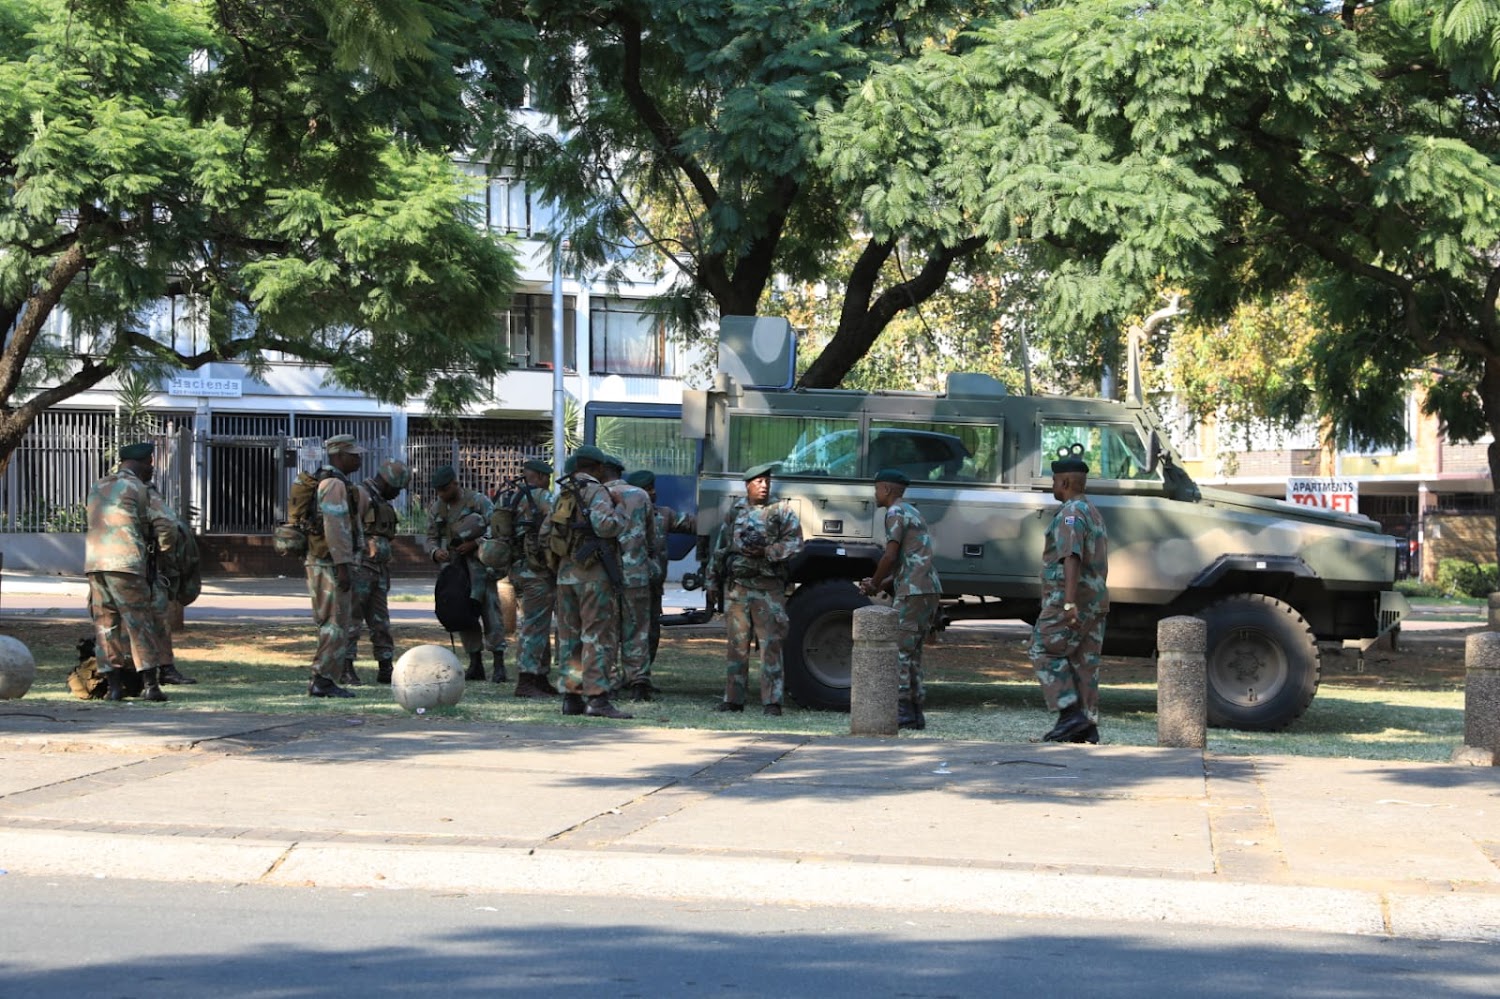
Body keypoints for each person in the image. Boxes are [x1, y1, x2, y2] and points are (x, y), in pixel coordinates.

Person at [540, 445, 632, 718]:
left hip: (566, 575)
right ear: (599, 468)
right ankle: (598, 698)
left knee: (570, 638)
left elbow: (546, 532)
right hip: (593, 576)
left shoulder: (563, 493)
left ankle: (572, 697)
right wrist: (621, 509)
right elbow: (606, 526)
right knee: (597, 636)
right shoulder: (596, 490)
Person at [706, 462, 804, 715]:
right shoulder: (736, 510)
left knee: (770, 646)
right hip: (738, 589)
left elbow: (795, 543)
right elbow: (721, 546)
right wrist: (712, 581)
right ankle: (733, 699)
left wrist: (767, 551)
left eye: (767, 481)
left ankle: (772, 702)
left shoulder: (781, 510)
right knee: (736, 646)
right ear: (747, 485)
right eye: (758, 482)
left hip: (768, 589)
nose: (764, 486)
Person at [84, 441, 179, 702]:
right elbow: (167, 524)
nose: (152, 469)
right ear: (144, 462)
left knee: (105, 625)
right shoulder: (140, 488)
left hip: (95, 564)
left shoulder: (98, 486)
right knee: (140, 622)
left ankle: (114, 688)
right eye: (151, 463)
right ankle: (151, 686)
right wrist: (163, 551)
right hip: (126, 565)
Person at [1029, 447, 1110, 743]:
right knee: (1082, 660)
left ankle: (1070, 714)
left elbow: (1071, 557)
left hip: (1073, 599)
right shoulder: (1092, 511)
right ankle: (1086, 726)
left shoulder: (1071, 513)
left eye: (1053, 481)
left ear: (1064, 483)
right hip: (1096, 600)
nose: (1052, 487)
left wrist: (1068, 602)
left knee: (1042, 648)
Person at [859, 468, 942, 731]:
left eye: (876, 489)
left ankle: (904, 712)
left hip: (912, 590)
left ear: (886, 490)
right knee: (913, 651)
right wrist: (881, 584)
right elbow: (910, 560)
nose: (875, 494)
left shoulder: (894, 513)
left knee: (901, 651)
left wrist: (873, 582)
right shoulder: (913, 511)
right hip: (928, 588)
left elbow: (890, 557)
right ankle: (916, 713)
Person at [426, 464, 507, 683]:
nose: (442, 494)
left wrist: (475, 543)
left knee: (491, 613)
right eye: (439, 491)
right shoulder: (438, 508)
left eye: (445, 489)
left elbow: (497, 528)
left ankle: (499, 664)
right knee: (463, 613)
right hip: (456, 570)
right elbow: (431, 536)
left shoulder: (478, 501)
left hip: (481, 566)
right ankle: (475, 663)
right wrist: (436, 552)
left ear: (455, 483)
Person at [305, 434, 364, 698]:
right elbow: (335, 527)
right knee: (334, 621)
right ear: (338, 455)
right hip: (329, 564)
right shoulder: (333, 485)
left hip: (326, 562)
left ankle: (325, 678)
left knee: (334, 620)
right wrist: (343, 565)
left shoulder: (333, 482)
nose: (359, 457)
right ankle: (322, 679)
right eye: (353, 453)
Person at [499, 459, 559, 698]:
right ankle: (526, 680)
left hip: (517, 569)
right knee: (534, 626)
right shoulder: (545, 498)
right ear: (543, 477)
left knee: (538, 623)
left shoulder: (510, 498)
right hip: (537, 571)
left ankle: (540, 677)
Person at [625, 469, 696, 671]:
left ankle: (643, 675)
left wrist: (716, 521)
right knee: (630, 631)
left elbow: (690, 523)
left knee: (652, 631)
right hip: (630, 585)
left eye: (653, 488)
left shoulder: (663, 515)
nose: (653, 492)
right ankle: (628, 675)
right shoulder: (622, 516)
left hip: (654, 586)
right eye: (648, 489)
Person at [347, 458, 410, 685]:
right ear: (388, 481)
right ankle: (346, 666)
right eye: (397, 488)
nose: (398, 493)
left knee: (381, 621)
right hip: (361, 567)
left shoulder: (382, 500)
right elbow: (348, 529)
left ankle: (385, 666)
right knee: (352, 619)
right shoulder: (361, 495)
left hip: (379, 569)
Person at [601, 455, 657, 701]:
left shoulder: (595, 494)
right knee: (637, 629)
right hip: (636, 573)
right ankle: (639, 683)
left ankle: (610, 684)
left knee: (607, 630)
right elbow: (651, 536)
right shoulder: (641, 495)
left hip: (604, 573)